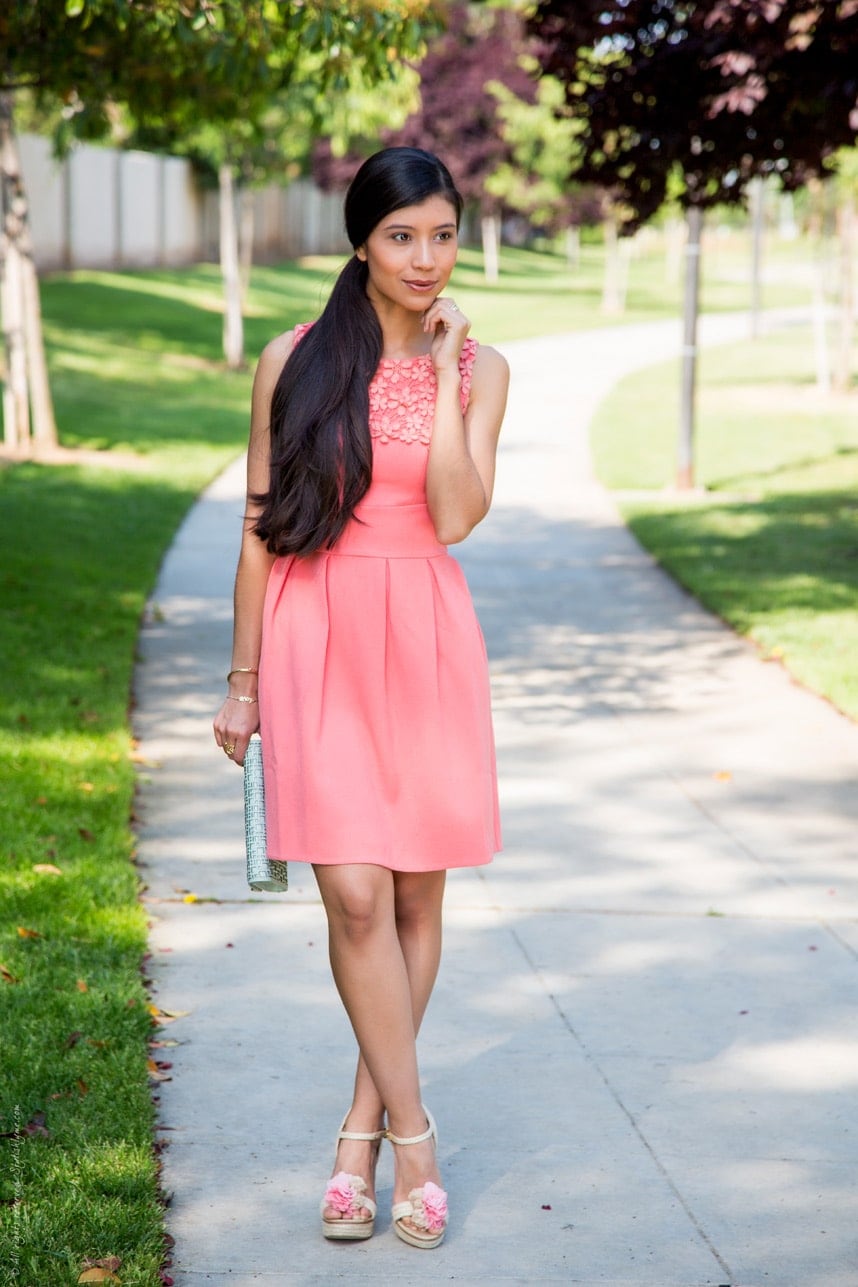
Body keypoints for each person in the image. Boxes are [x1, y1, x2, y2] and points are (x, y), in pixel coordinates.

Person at [212, 146, 509, 1250]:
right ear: (360, 242)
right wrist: (242, 680)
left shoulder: (482, 369)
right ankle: (417, 1141)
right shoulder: (293, 358)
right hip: (315, 633)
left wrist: (437, 379)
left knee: (418, 902)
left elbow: (459, 514)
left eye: (442, 235)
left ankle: (355, 1135)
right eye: (402, 236)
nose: (425, 258)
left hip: (425, 635)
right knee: (351, 895)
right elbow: (258, 526)